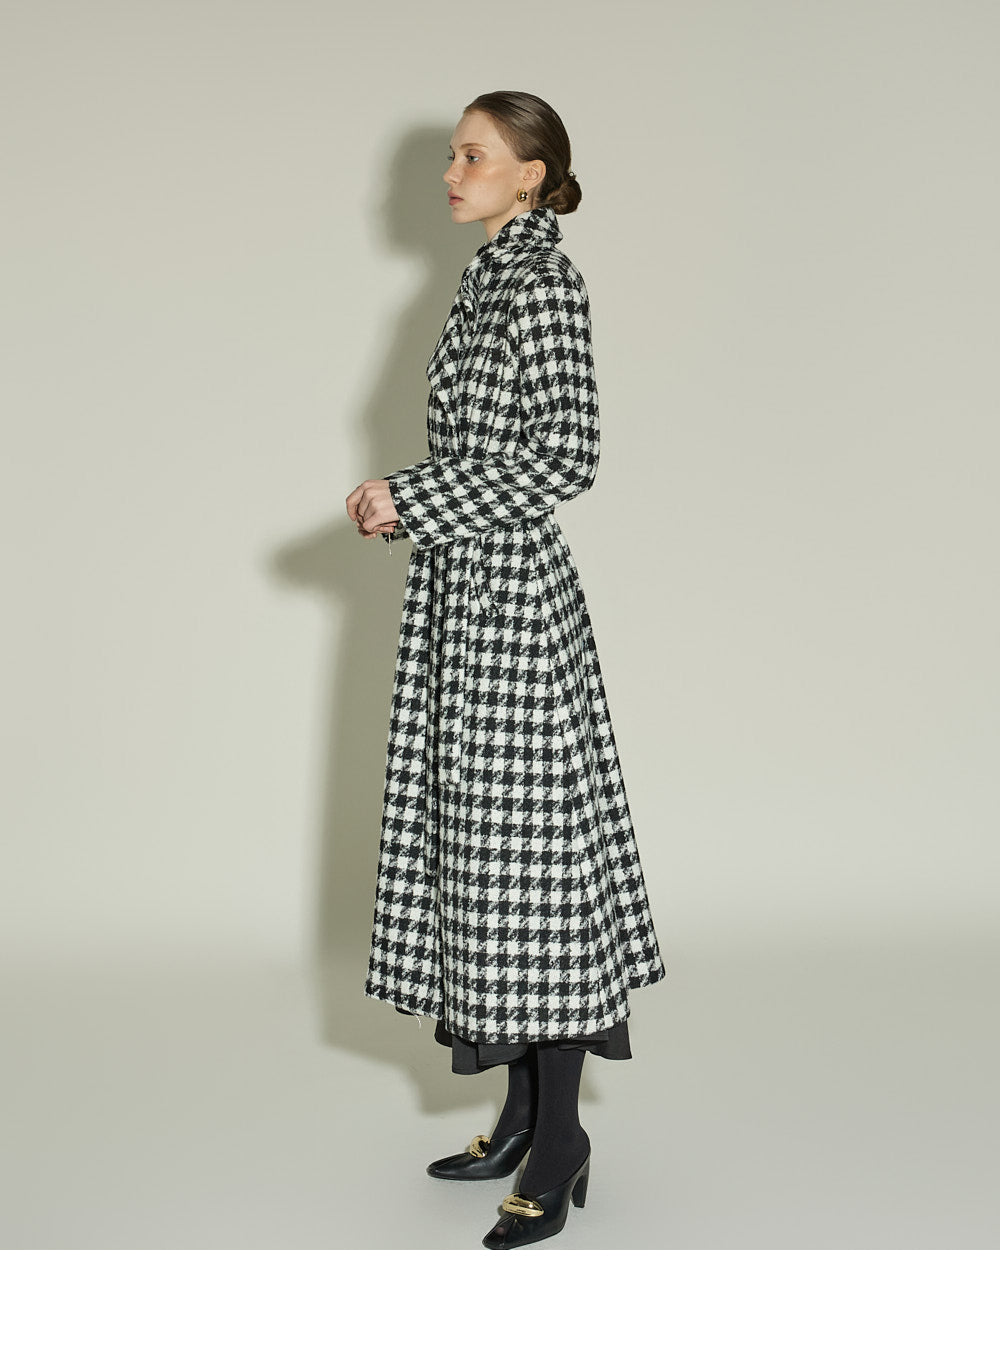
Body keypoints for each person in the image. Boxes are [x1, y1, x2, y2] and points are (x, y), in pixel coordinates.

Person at [347, 91, 665, 1249]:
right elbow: (500, 450)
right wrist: (410, 503)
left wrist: (413, 495)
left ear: (532, 173)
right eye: (451, 154)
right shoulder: (488, 278)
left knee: (535, 870)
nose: (453, 171)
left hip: (511, 612)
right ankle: (525, 1116)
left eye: (474, 155)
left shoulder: (542, 281)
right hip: (465, 599)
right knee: (487, 869)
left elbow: (567, 456)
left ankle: (561, 1136)